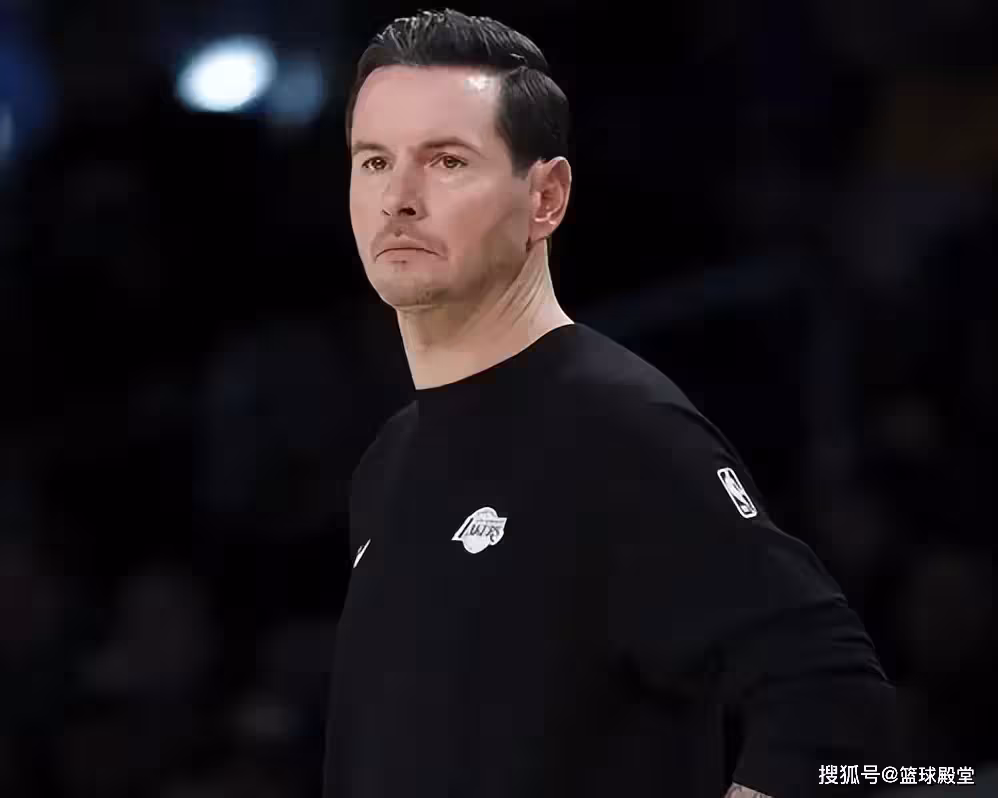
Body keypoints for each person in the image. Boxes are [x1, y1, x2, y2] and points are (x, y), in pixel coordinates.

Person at [323, 9, 902, 797]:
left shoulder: (617, 426)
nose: (399, 198)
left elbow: (832, 700)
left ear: (546, 197)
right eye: (374, 162)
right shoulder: (388, 459)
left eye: (447, 161)